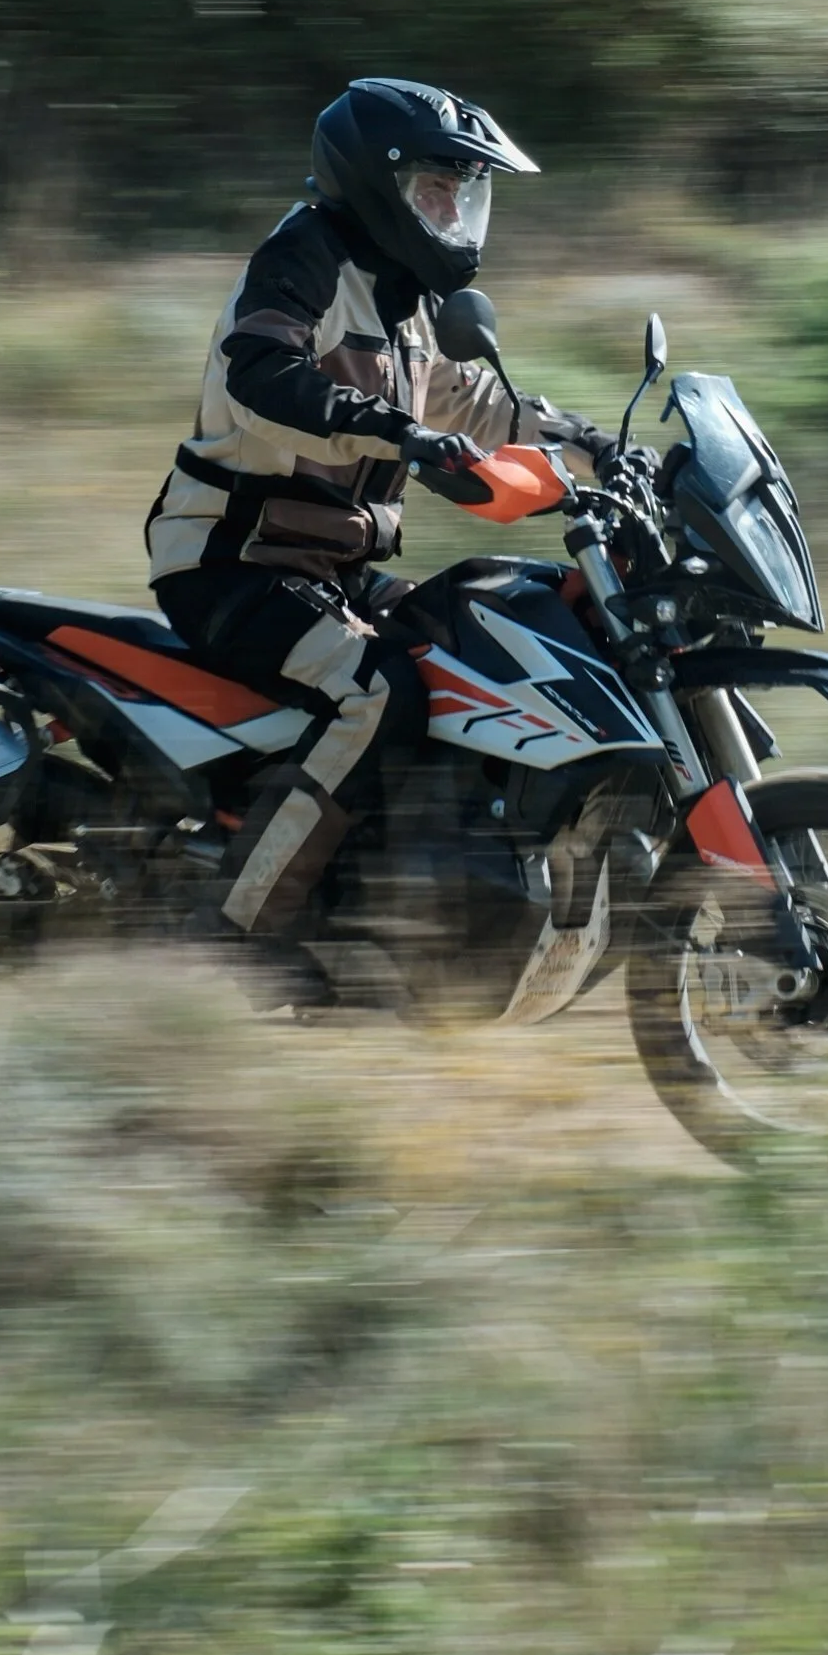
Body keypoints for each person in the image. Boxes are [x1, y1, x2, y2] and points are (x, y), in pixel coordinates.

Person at [146, 77, 612, 1007]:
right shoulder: (304, 259)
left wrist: (597, 442)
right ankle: (234, 937)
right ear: (378, 181)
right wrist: (392, 432)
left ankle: (389, 908)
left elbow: (470, 403)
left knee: (477, 639)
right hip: (233, 562)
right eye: (437, 190)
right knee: (379, 692)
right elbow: (261, 374)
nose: (454, 212)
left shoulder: (403, 298)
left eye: (463, 194)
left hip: (333, 569)